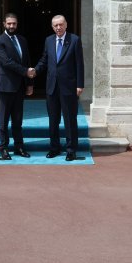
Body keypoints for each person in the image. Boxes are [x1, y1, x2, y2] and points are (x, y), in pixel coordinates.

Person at [33, 15, 84, 161]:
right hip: (52, 87)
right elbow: (44, 59)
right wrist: (35, 70)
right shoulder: (49, 40)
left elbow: (79, 64)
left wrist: (80, 84)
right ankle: (54, 148)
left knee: (70, 120)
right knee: (53, 120)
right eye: (55, 25)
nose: (58, 28)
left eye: (61, 24)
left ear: (66, 25)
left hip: (69, 87)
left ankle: (71, 150)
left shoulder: (74, 40)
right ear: (52, 27)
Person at [0, 13, 33, 160]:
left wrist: (29, 83)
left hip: (20, 86)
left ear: (17, 24)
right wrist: (25, 71)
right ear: (4, 24)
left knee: (18, 120)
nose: (11, 26)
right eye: (9, 23)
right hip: (5, 86)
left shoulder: (22, 40)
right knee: (4, 120)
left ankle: (19, 147)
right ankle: (3, 149)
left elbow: (27, 61)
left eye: (14, 23)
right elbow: (6, 62)